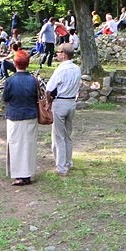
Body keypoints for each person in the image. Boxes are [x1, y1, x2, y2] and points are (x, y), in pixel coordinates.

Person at [3, 50, 38, 186]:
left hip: (14, 115)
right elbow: (36, 97)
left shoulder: (10, 81)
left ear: (15, 63)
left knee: (15, 145)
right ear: (27, 64)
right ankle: (28, 173)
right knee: (29, 144)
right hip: (30, 114)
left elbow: (5, 98)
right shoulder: (33, 80)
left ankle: (18, 175)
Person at [46, 43, 81, 176]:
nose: (57, 54)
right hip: (71, 102)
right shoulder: (77, 69)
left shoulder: (61, 69)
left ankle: (61, 166)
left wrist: (48, 103)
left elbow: (49, 89)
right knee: (67, 134)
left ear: (64, 54)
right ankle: (68, 161)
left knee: (59, 135)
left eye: (59, 52)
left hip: (60, 102)